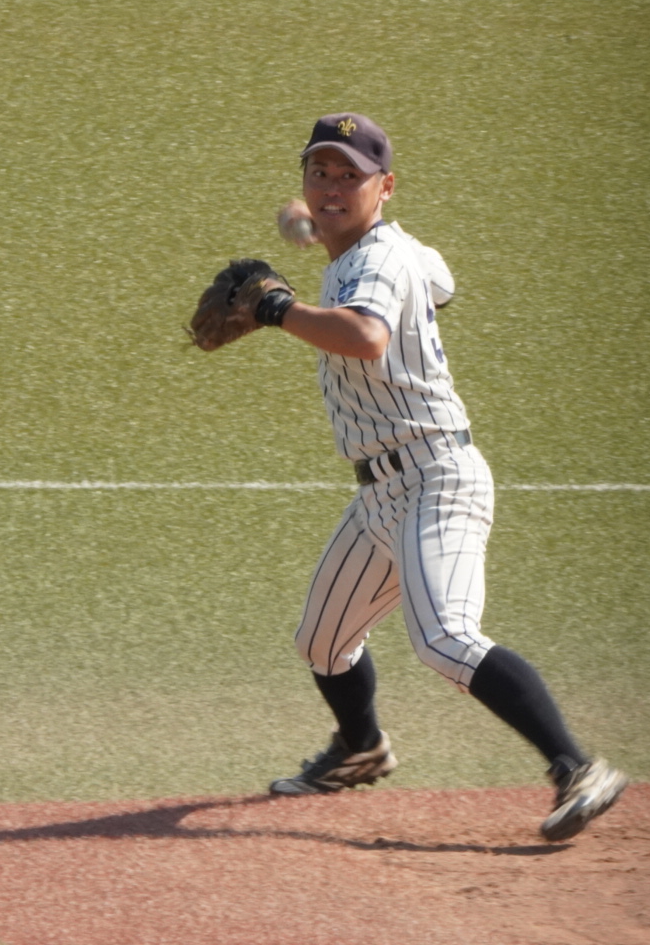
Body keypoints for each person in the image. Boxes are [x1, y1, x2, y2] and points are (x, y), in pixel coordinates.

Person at [246, 112, 626, 842]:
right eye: (320, 173)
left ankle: (578, 768)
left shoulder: (381, 262)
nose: (331, 185)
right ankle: (361, 747)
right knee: (322, 641)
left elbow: (366, 336)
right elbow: (441, 285)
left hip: (436, 480)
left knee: (445, 639)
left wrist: (277, 308)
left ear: (385, 186)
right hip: (382, 493)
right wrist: (320, 228)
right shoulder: (400, 251)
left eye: (350, 176)